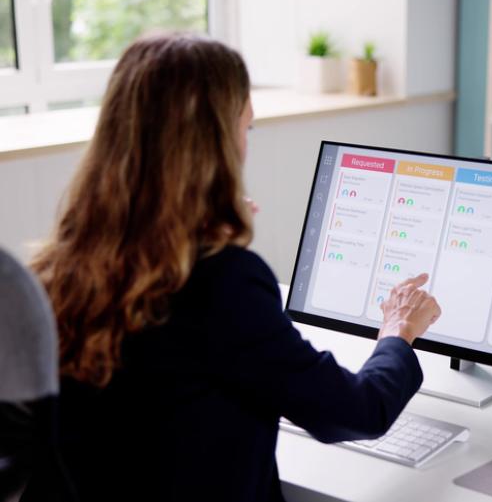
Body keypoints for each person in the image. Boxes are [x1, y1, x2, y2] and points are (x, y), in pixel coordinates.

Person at [27, 33, 441, 502]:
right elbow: (354, 412)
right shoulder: (221, 281)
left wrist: (197, 235)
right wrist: (397, 332)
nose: (246, 144)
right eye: (246, 128)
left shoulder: (60, 266)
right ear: (216, 144)